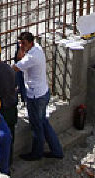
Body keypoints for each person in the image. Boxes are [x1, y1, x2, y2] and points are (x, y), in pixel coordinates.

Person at [12, 32, 63, 161]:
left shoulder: (30, 58)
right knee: (43, 122)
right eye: (20, 43)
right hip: (43, 92)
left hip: (35, 96)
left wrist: (20, 51)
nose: (21, 45)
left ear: (30, 43)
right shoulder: (38, 48)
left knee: (36, 126)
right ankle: (56, 150)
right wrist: (23, 48)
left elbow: (15, 67)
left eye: (23, 43)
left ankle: (36, 153)